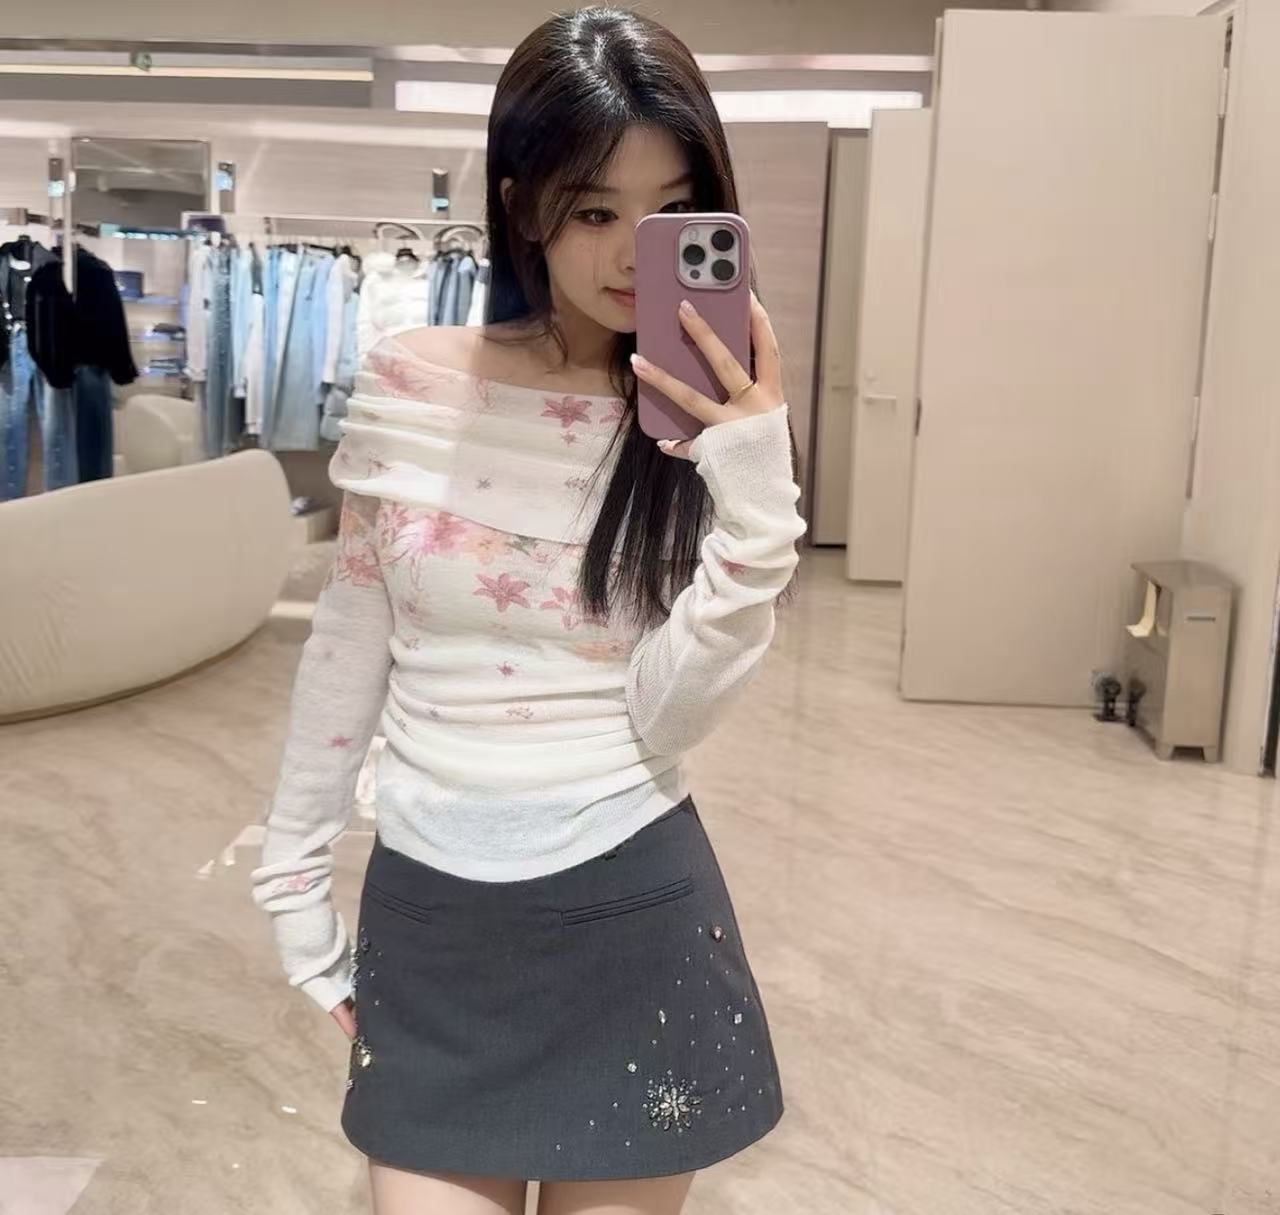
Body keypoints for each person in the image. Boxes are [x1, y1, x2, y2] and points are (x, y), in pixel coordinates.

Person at [250, 7, 808, 1213]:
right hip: (432, 904)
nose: (631, 256)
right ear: (522, 207)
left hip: (628, 893)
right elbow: (347, 645)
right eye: (594, 210)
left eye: (670, 213)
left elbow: (667, 719)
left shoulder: (701, 422)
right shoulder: (410, 383)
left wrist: (756, 504)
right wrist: (290, 878)